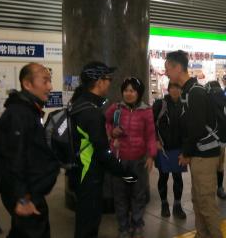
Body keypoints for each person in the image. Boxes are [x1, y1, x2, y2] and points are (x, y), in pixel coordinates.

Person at [70, 62, 137, 238]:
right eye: (108, 79)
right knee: (88, 227)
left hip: (79, 173)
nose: (110, 83)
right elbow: (102, 153)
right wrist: (125, 173)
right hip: (89, 177)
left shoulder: (79, 103)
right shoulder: (91, 113)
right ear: (99, 82)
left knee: (84, 221)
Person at [165, 50, 223, 238]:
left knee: (206, 202)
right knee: (198, 200)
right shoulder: (189, 91)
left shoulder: (195, 92)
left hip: (205, 156)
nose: (166, 73)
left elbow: (196, 128)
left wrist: (186, 152)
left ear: (177, 68)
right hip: (199, 155)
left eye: (167, 69)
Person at [0, 63, 60, 238]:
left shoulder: (29, 111)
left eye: (50, 81)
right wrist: (23, 198)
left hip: (31, 192)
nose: (50, 87)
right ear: (27, 84)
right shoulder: (18, 114)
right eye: (45, 81)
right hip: (27, 195)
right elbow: (13, 158)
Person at [106, 77, 157, 238]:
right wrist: (111, 133)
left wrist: (151, 156)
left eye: (132, 90)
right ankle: (123, 227)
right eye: (126, 90)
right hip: (119, 160)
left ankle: (137, 223)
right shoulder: (115, 108)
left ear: (138, 93)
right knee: (120, 195)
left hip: (138, 161)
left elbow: (150, 135)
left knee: (138, 193)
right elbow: (105, 123)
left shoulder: (146, 111)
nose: (129, 93)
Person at [152, 83, 187, 219]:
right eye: (173, 88)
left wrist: (186, 149)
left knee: (178, 177)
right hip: (163, 149)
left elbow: (188, 127)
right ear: (168, 89)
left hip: (179, 148)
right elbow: (151, 123)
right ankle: (164, 204)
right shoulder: (161, 104)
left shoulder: (185, 105)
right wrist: (155, 140)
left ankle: (177, 205)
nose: (175, 90)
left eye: (178, 88)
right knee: (163, 177)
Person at [205, 81, 226, 200]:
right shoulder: (223, 98)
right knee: (220, 165)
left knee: (211, 165)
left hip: (209, 138)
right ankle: (220, 188)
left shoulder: (207, 97)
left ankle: (213, 189)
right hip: (221, 138)